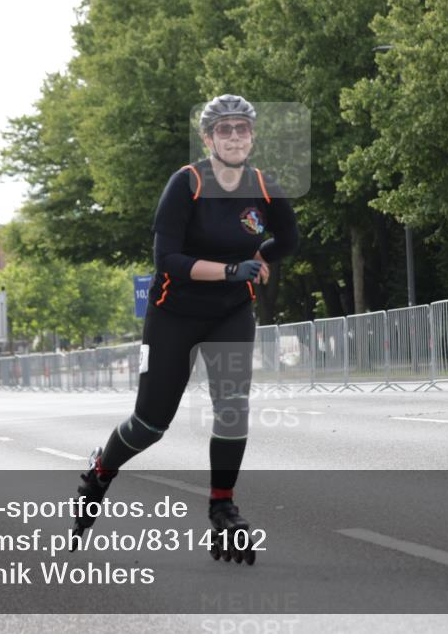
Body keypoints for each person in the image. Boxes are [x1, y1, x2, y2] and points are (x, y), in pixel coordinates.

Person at [71, 95, 299, 561]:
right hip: (173, 314)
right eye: (224, 129)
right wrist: (230, 270)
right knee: (151, 424)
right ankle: (101, 470)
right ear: (208, 138)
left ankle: (222, 505)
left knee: (232, 409)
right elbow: (167, 261)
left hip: (230, 313)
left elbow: (289, 238)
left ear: (253, 135)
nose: (234, 136)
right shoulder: (187, 183)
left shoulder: (264, 185)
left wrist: (258, 260)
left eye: (242, 128)